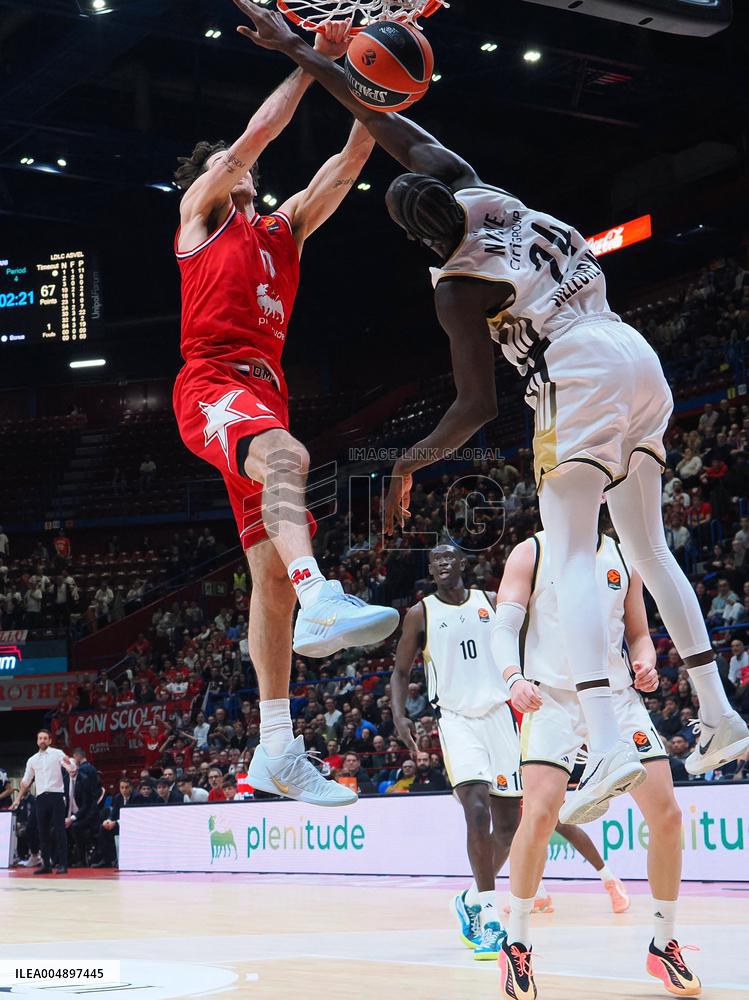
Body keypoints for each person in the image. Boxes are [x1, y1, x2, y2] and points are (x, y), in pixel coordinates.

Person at [238, 3, 749, 819]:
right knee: (648, 550)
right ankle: (718, 713)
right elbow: (385, 119)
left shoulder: (456, 282)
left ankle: (609, 744)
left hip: (576, 376)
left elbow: (475, 406)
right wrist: (305, 52)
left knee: (571, 559)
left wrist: (406, 463)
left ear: (416, 240)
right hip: (635, 354)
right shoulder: (486, 191)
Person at [171, 17, 398, 809]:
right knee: (290, 461)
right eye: (227, 164)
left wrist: (372, 92)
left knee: (265, 578)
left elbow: (345, 164)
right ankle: (322, 594)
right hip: (210, 383)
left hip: (264, 388)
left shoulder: (282, 227)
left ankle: (275, 750)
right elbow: (256, 132)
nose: (241, 168)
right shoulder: (201, 218)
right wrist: (308, 63)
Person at [492, 528, 699, 999]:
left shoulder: (624, 557)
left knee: (666, 815)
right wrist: (512, 677)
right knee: (540, 814)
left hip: (617, 699)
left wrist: (646, 663)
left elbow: (639, 635)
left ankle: (664, 943)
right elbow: (503, 626)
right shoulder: (533, 550)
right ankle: (517, 941)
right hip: (553, 699)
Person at [393, 544, 521, 961]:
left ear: (464, 564)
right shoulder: (421, 613)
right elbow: (399, 671)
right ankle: (489, 920)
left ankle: (468, 899)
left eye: (450, 558)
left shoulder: (490, 601)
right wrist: (399, 716)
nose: (443, 564)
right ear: (430, 570)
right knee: (477, 809)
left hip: (501, 716)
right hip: (456, 720)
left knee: (508, 827)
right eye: (436, 561)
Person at [11, 729, 77, 875]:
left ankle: (63, 864)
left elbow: (72, 768)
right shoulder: (32, 760)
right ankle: (46, 864)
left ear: (50, 740)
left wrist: (70, 763)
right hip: (40, 798)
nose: (42, 741)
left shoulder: (57, 753)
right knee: (42, 832)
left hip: (57, 796)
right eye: (40, 738)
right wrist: (17, 798)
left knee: (60, 831)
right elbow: (25, 782)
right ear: (37, 741)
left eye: (45, 738)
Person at [93, 778, 134, 867]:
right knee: (103, 828)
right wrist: (108, 821)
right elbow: (113, 813)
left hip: (132, 826)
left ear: (131, 788)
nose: (124, 790)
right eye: (122, 787)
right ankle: (106, 860)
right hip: (119, 825)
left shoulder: (136, 797)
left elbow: (132, 817)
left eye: (126, 787)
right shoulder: (118, 797)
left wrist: (116, 823)